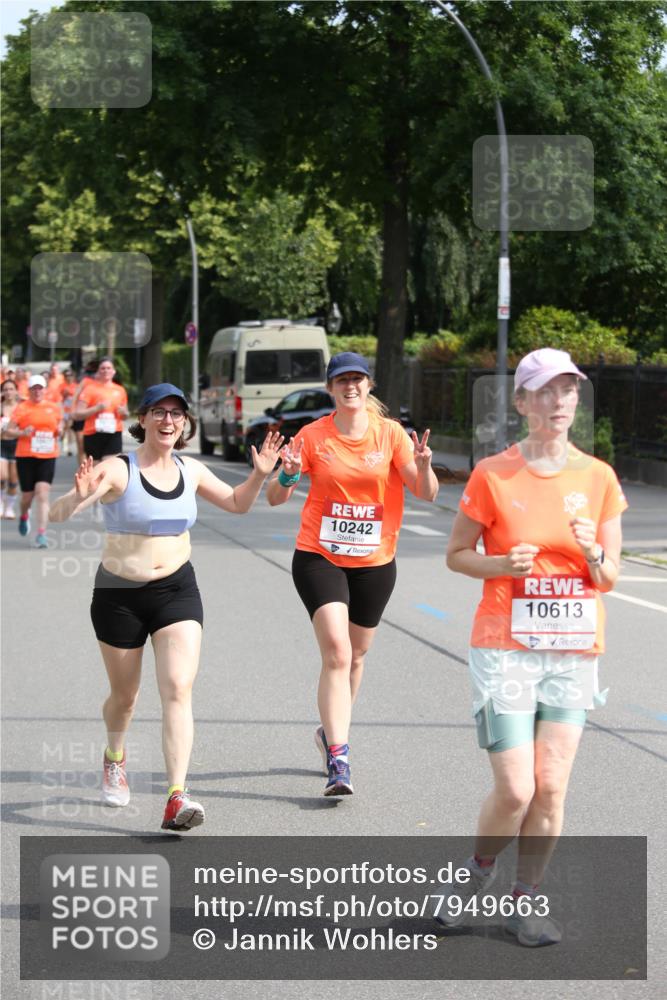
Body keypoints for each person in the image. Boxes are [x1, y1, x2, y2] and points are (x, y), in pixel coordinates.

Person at [434, 348, 627, 946]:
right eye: (544, 391)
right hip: (505, 647)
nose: (558, 401)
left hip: (572, 652)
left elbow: (610, 576)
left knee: (551, 787)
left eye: (567, 390)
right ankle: (476, 874)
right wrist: (499, 561)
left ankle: (527, 900)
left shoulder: (597, 478)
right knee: (516, 788)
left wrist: (593, 553)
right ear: (521, 402)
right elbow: (457, 554)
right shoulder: (494, 474)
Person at [49, 383, 283, 831]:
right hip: (119, 596)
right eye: (159, 412)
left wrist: (259, 475)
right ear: (144, 419)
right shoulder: (119, 469)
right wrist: (78, 495)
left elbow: (237, 504)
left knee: (177, 686)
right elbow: (59, 515)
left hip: (177, 589)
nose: (168, 421)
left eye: (177, 414)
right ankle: (114, 757)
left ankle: (177, 796)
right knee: (126, 697)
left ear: (185, 423)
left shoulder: (190, 470)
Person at [266, 352, 439, 796]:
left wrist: (423, 465)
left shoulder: (391, 435)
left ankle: (329, 731)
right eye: (341, 380)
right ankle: (339, 757)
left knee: (357, 657)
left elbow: (427, 493)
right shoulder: (313, 436)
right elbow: (274, 499)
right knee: (338, 654)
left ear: (369, 385)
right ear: (330, 388)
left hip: (375, 561)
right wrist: (286, 476)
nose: (350, 387)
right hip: (319, 556)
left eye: (357, 379)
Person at [4, 374, 63, 546]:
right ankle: (24, 515)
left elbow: (60, 428)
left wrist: (60, 431)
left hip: (47, 455)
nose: (37, 391)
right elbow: (8, 431)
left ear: (44, 390)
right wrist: (22, 433)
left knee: (43, 493)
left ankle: (41, 534)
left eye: (40, 388)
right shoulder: (22, 408)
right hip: (26, 456)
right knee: (27, 497)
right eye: (34, 388)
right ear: (29, 390)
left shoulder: (54, 408)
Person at [74, 357, 128, 463]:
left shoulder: (120, 390)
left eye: (109, 368)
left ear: (113, 371)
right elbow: (77, 414)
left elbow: (125, 414)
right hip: (93, 434)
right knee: (96, 470)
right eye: (103, 368)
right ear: (98, 371)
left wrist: (124, 413)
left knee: (110, 467)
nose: (106, 371)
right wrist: (96, 408)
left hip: (114, 433)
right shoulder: (90, 389)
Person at [1, 378, 20, 519]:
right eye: (5, 389)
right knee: (2, 477)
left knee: (13, 480)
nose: (8, 392)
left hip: (18, 446)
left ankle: (9, 507)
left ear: (16, 391)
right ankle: (1, 503)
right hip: (1, 444)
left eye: (11, 389)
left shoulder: (22, 407)